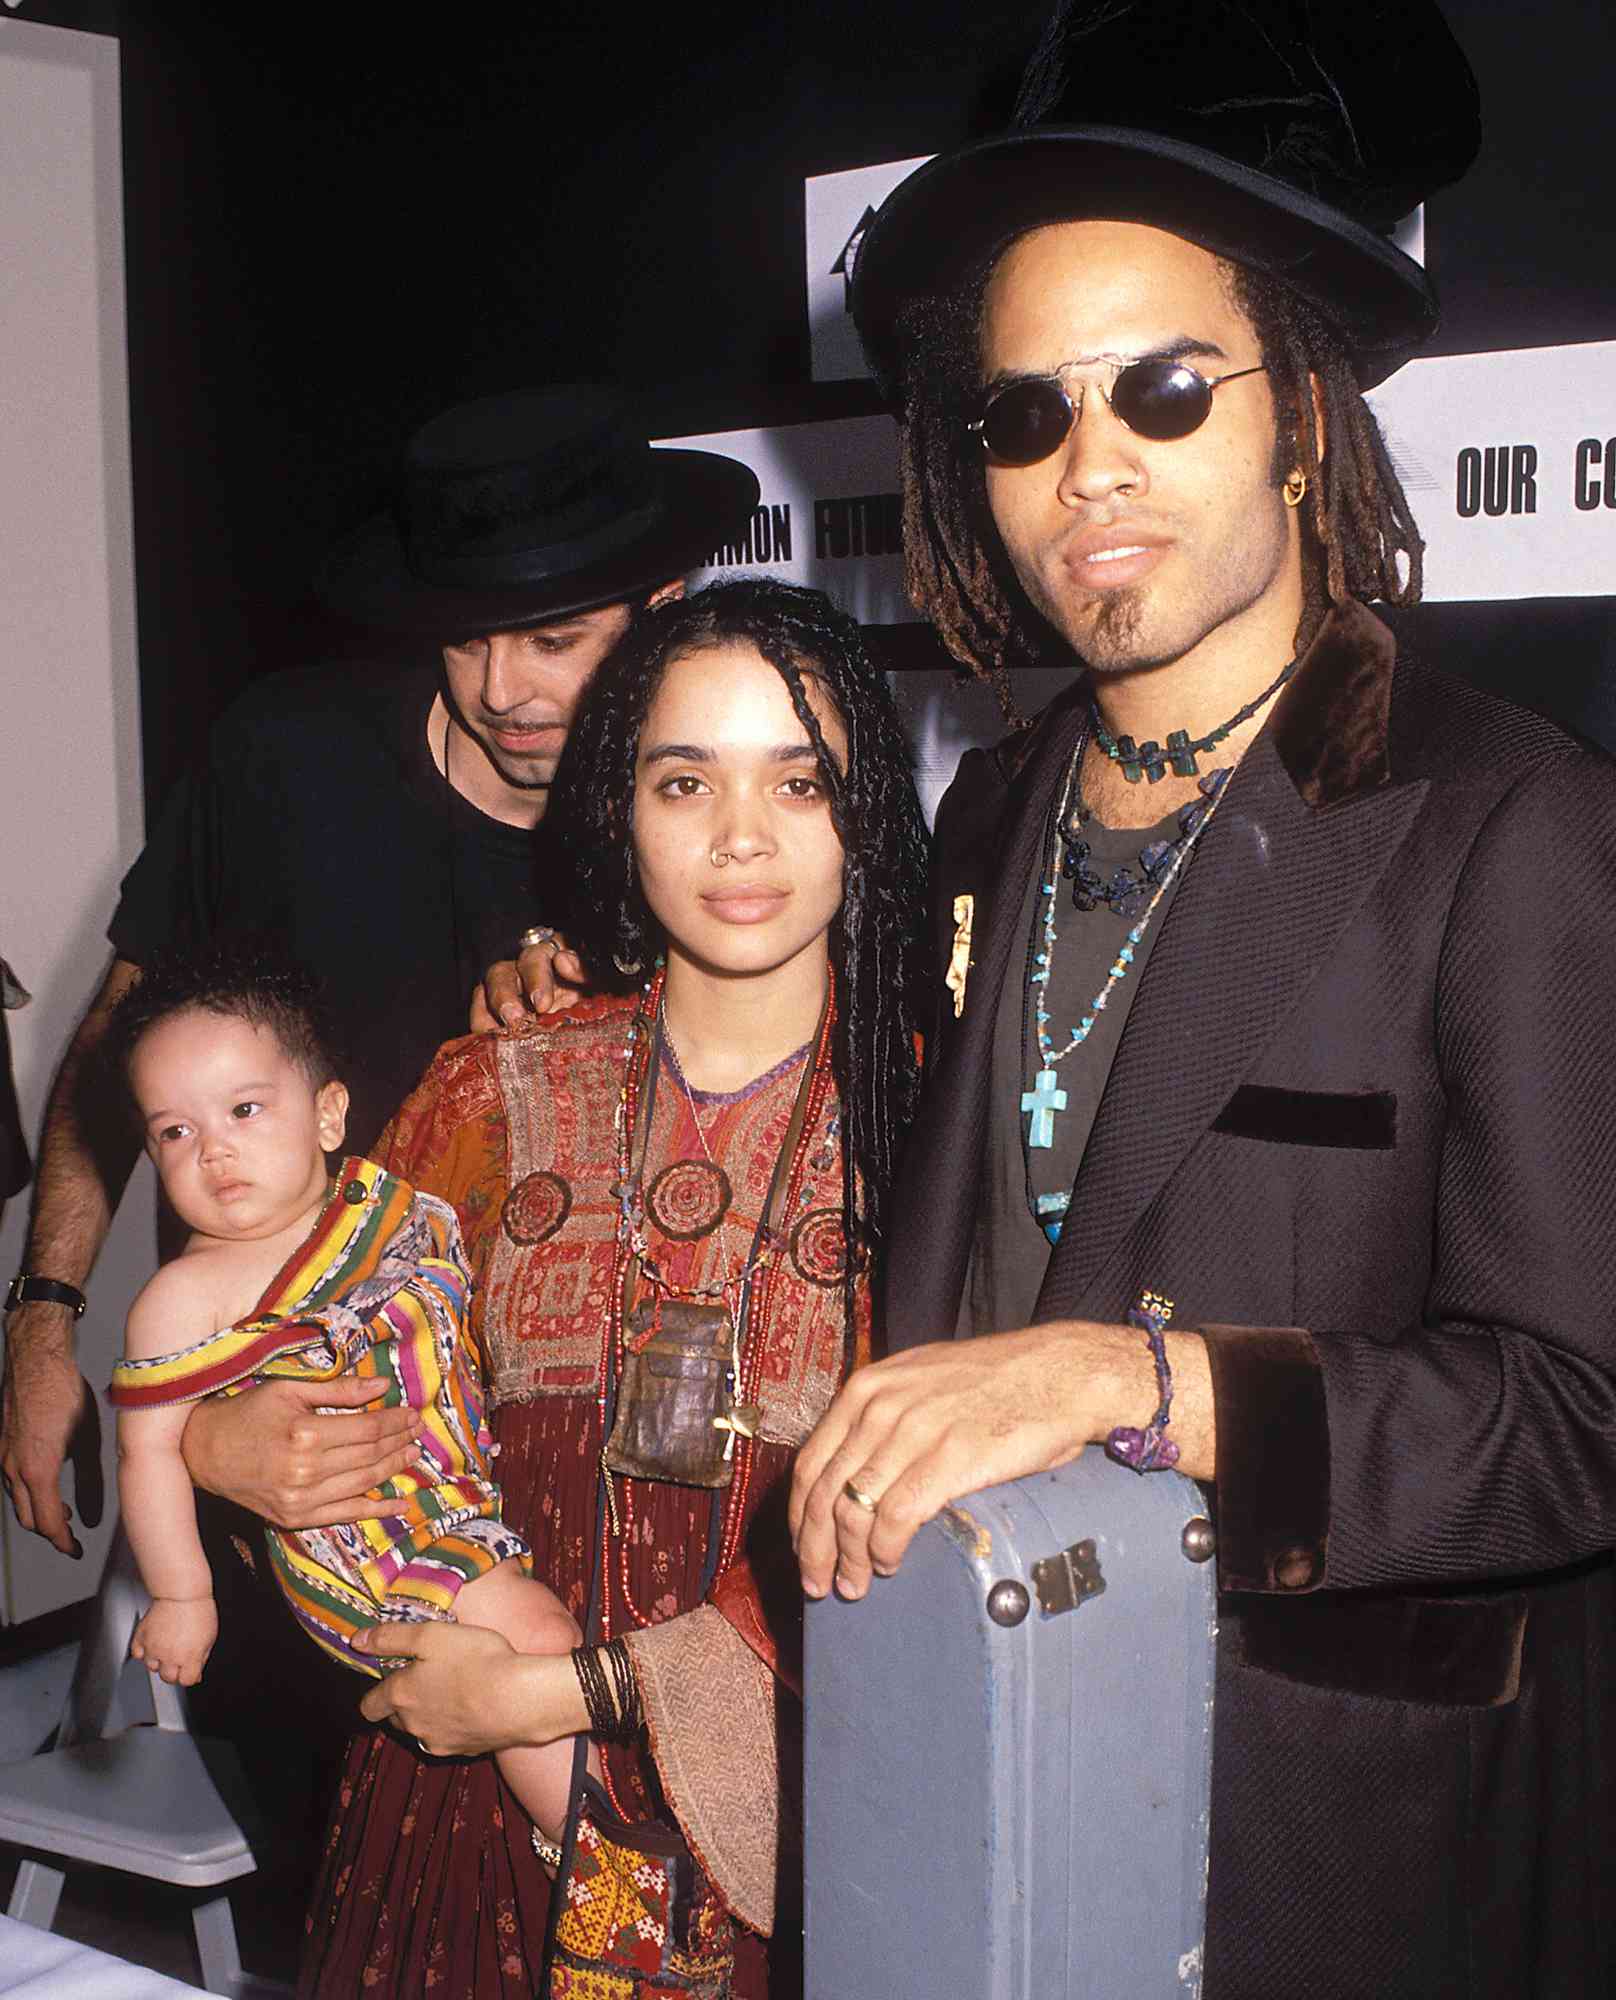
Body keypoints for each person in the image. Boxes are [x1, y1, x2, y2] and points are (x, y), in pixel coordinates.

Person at [788, 3, 1616, 1996]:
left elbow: (1579, 1420)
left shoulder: (1500, 814)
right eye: (1022, 416)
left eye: (1162, 390)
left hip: (1325, 1833)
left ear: (1302, 413)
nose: (1090, 470)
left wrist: (1134, 1383)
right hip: (979, 1753)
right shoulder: (985, 803)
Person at [261, 578, 929, 1997]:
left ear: (864, 814)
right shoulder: (491, 1092)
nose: (740, 837)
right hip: (461, 1800)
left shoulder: (934, 1131)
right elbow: (324, 1379)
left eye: (798, 781)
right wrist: (225, 1439)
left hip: (796, 1833)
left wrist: (556, 1698)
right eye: (685, 780)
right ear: (616, 810)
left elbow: (940, 1539)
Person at [1, 385, 757, 1560]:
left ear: (659, 609)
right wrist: (45, 1330)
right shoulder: (288, 759)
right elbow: (117, 1049)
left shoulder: (718, 831)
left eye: (554, 638)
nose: (502, 687)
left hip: (576, 1485)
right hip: (291, 1468)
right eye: (466, 636)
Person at [104, 946, 590, 1846]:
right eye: (174, 1131)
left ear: (328, 1115)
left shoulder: (375, 1205)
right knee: (535, 1644)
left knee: (539, 1644)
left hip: (462, 1483)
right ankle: (596, 1858)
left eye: (245, 1110)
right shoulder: (187, 1295)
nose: (212, 1150)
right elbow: (149, 1452)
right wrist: (183, 1597)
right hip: (374, 1539)